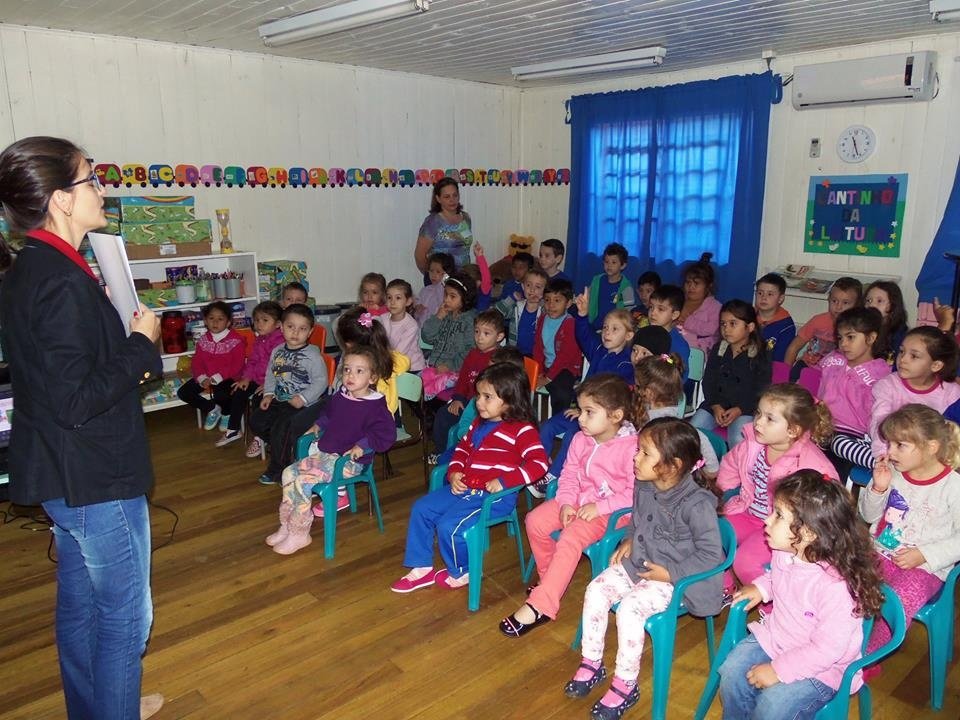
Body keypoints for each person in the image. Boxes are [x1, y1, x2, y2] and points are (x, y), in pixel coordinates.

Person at [0, 136, 164, 719]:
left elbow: (57, 374)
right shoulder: (61, 281)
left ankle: (99, 706)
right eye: (91, 179)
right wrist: (140, 347)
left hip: (60, 469)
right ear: (61, 201)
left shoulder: (33, 267)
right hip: (95, 475)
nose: (101, 189)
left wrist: (118, 342)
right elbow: (76, 398)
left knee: (80, 605)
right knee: (125, 615)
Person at [564, 418, 723, 719]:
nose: (635, 458)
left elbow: (712, 555)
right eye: (638, 450)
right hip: (642, 561)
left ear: (672, 465)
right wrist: (628, 539)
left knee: (630, 609)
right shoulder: (644, 483)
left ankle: (626, 683)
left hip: (676, 578)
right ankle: (592, 661)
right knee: (596, 589)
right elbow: (637, 518)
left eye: (644, 453)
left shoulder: (697, 504)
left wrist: (671, 573)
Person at [719, 471, 884, 720]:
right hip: (779, 638)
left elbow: (828, 650)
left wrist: (778, 669)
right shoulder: (786, 552)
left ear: (808, 534)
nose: (767, 520)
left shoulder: (836, 586)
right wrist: (762, 588)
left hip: (824, 668)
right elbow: (778, 578)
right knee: (731, 673)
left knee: (773, 708)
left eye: (778, 516)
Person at [391, 362, 548, 592]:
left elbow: (539, 464)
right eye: (478, 395)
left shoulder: (523, 430)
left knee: (449, 526)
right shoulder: (479, 423)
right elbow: (461, 450)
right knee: (421, 508)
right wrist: (454, 471)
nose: (478, 402)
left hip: (493, 498)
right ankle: (422, 568)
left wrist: (505, 482)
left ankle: (462, 570)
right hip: (465, 488)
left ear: (510, 400)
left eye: (487, 397)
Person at [501, 374, 637, 637]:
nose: (581, 419)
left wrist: (600, 507)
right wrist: (565, 503)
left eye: (589, 412)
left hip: (613, 513)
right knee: (535, 521)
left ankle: (542, 604)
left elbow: (635, 494)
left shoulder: (632, 448)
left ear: (616, 415)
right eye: (581, 410)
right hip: (580, 502)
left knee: (571, 536)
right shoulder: (580, 438)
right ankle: (550, 580)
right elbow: (569, 475)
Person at [265, 347, 397, 555]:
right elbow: (328, 415)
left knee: (302, 482)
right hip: (327, 455)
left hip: (350, 463)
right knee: (288, 473)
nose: (350, 375)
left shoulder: (376, 407)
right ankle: (288, 524)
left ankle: (300, 533)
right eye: (347, 370)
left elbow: (385, 434)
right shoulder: (341, 395)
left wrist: (362, 445)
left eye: (359, 371)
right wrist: (318, 425)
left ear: (373, 378)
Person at [860, 404, 960, 671]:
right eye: (889, 444)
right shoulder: (892, 473)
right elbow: (869, 515)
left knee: (898, 600)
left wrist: (924, 554)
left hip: (925, 568)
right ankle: (841, 643)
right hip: (880, 552)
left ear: (932, 447)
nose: (889, 452)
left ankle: (869, 661)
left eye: (900, 445)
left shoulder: (953, 487)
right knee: (845, 580)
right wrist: (878, 488)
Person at [716, 384, 838, 589]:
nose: (758, 423)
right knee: (708, 532)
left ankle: (776, 607)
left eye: (769, 419)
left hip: (783, 527)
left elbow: (828, 504)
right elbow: (731, 463)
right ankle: (722, 586)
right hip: (748, 511)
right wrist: (724, 492)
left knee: (746, 562)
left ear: (793, 430)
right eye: (758, 414)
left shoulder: (812, 465)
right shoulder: (752, 444)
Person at [531, 303, 636, 495]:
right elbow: (584, 335)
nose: (607, 333)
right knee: (546, 426)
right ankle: (537, 466)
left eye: (614, 329)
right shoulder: (599, 350)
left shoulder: (627, 363)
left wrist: (583, 411)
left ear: (628, 335)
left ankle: (553, 479)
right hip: (580, 410)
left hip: (599, 418)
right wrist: (582, 315)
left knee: (573, 437)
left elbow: (612, 398)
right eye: (605, 327)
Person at [249, 303, 329, 485]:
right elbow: (271, 373)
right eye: (290, 327)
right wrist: (268, 394)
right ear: (281, 327)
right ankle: (285, 449)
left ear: (309, 332)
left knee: (281, 430)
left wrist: (302, 398)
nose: (295, 333)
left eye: (302, 329)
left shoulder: (312, 355)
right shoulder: (277, 351)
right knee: (256, 421)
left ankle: (277, 470)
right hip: (280, 399)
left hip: (304, 405)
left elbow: (321, 381)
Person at [868, 326, 960, 465]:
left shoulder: (952, 393)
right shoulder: (887, 385)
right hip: (889, 452)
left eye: (914, 356)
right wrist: (883, 457)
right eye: (901, 351)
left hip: (929, 460)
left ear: (935, 365)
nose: (903, 359)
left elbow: (951, 436)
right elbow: (879, 423)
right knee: (841, 443)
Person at [818, 307, 891, 477]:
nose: (843, 343)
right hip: (822, 427)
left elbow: (878, 414)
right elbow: (820, 392)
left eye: (850, 337)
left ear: (871, 338)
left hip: (853, 435)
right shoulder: (833, 361)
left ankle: (882, 461)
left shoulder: (880, 373)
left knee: (839, 447)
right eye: (840, 338)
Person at [690, 300, 772, 447]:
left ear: (750, 327)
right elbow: (708, 380)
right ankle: (702, 467)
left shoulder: (760, 354)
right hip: (715, 405)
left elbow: (761, 389)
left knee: (739, 441)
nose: (726, 329)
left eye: (733, 324)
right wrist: (715, 405)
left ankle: (734, 469)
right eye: (723, 324)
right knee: (692, 432)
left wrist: (740, 409)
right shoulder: (719, 349)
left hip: (745, 408)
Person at [633, 354, 720, 481]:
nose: (635, 389)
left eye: (638, 386)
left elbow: (700, 439)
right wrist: (711, 471)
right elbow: (701, 440)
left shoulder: (656, 425)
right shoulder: (679, 424)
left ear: (649, 392)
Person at [430, 310, 506, 457]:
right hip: (467, 401)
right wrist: (458, 398)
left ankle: (468, 452)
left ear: (500, 336)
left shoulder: (499, 358)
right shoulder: (472, 354)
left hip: (487, 404)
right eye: (477, 331)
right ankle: (441, 452)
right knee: (443, 415)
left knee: (473, 426)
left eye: (486, 333)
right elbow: (463, 379)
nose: (479, 337)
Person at [175, 300, 246, 434]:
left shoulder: (236, 340)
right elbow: (197, 362)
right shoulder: (203, 340)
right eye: (211, 318)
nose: (215, 322)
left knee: (221, 394)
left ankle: (226, 413)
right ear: (205, 321)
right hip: (206, 376)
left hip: (228, 377)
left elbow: (237, 364)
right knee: (183, 392)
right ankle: (212, 409)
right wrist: (201, 377)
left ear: (228, 322)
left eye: (220, 319)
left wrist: (218, 377)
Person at [784, 277, 862, 378]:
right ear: (828, 299)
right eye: (834, 301)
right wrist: (785, 373)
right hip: (807, 366)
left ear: (857, 305)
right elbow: (794, 347)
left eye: (845, 303)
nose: (838, 307)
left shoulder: (858, 329)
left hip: (835, 373)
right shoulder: (818, 320)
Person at [234, 301, 285, 452]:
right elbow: (252, 361)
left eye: (265, 320)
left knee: (258, 400)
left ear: (277, 324)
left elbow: (281, 368)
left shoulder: (280, 341)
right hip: (257, 379)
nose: (259, 324)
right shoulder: (259, 340)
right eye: (256, 320)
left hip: (272, 384)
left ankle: (260, 438)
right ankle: (233, 429)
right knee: (239, 390)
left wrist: (270, 386)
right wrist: (246, 378)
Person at [420, 272, 478, 399]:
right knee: (417, 384)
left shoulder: (470, 320)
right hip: (435, 368)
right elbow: (427, 337)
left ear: (466, 299)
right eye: (445, 295)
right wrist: (438, 317)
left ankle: (431, 412)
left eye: (452, 296)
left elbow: (471, 350)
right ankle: (426, 412)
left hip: (455, 372)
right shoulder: (445, 314)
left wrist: (449, 365)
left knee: (433, 391)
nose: (446, 300)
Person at [534, 278, 582, 415]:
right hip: (547, 366)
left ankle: (560, 420)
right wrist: (539, 371)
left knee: (560, 392)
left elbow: (565, 357)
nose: (551, 305)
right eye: (547, 300)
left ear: (568, 303)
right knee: (520, 381)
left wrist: (548, 378)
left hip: (567, 368)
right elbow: (538, 347)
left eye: (557, 300)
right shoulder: (542, 319)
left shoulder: (570, 323)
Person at [414, 178, 473, 281]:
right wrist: (432, 277)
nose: (452, 200)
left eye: (455, 195)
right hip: (441, 281)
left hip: (464, 278)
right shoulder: (432, 222)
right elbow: (419, 256)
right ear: (438, 198)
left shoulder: (466, 218)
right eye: (447, 197)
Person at [678, 253, 723, 353]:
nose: (691, 287)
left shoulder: (715, 306)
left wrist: (688, 321)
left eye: (696, 283)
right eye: (688, 282)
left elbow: (713, 329)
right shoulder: (679, 301)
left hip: (701, 353)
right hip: (678, 351)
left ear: (708, 286)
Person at [495, 267, 546, 355]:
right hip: (515, 353)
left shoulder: (545, 310)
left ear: (544, 291)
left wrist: (544, 302)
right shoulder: (517, 307)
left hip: (536, 354)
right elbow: (496, 312)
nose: (532, 289)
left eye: (538, 287)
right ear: (523, 286)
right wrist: (512, 298)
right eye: (528, 285)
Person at [378, 278, 426, 372]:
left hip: (412, 368)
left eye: (398, 298)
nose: (392, 302)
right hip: (390, 363)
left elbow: (399, 352)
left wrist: (380, 358)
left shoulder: (411, 325)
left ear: (408, 301)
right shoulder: (383, 318)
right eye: (389, 297)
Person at [645, 283, 690, 380]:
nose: (653, 313)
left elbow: (680, 378)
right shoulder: (644, 335)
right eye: (651, 307)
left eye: (660, 309)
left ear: (674, 315)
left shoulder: (679, 345)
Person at [587, 242, 635, 330]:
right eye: (606, 262)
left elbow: (629, 310)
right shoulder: (596, 281)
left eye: (614, 262)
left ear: (623, 265)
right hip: (594, 325)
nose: (609, 265)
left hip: (614, 328)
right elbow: (588, 298)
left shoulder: (626, 287)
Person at [754, 272, 796, 363]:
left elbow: (780, 359)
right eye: (760, 293)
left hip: (768, 369)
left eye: (770, 294)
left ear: (780, 299)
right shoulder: (747, 316)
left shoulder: (786, 326)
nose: (763, 297)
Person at [864, 280, 908, 363]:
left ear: (892, 305)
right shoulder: (860, 329)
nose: (871, 305)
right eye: (868, 301)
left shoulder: (900, 336)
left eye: (879, 301)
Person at [414, 251, 455, 326]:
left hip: (437, 327)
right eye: (431, 271)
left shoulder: (447, 291)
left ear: (446, 274)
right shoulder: (425, 290)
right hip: (422, 327)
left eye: (438, 272)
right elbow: (417, 304)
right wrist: (417, 308)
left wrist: (444, 282)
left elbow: (442, 303)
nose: (434, 275)